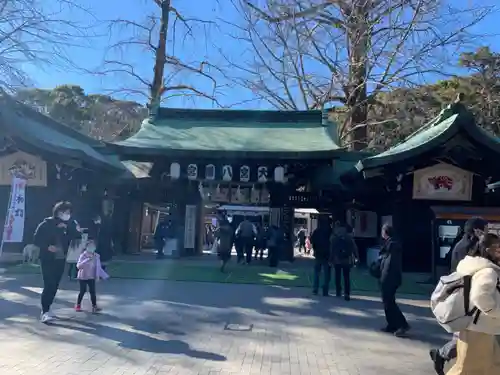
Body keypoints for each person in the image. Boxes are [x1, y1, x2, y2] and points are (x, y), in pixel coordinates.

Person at [430, 218, 488, 375]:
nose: (486, 232)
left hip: (467, 297)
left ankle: (441, 355)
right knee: (469, 337)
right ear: (477, 230)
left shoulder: (463, 244)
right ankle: (443, 355)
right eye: (485, 229)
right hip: (467, 298)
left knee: (468, 337)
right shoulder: (467, 247)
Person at [444, 233, 500, 375]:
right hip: (481, 326)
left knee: (491, 366)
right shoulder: (487, 271)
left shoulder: (473, 265)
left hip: (475, 325)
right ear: (489, 250)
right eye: (498, 248)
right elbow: (480, 296)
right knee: (467, 369)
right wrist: (496, 311)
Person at [33, 201, 81, 323]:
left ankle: (48, 308)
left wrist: (70, 228)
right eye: (65, 212)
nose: (67, 215)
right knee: (49, 284)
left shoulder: (70, 224)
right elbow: (36, 239)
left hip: (61, 258)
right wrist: (47, 247)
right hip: (47, 258)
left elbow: (77, 236)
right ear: (58, 212)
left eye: (69, 212)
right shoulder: (46, 224)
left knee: (55, 285)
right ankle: (44, 311)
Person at [379, 224, 410, 337]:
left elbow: (391, 265)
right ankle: (391, 324)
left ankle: (402, 324)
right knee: (387, 302)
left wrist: (385, 276)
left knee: (390, 302)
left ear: (386, 232)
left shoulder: (393, 246)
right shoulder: (388, 245)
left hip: (390, 278)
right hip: (386, 277)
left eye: (383, 231)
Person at [75, 239, 109, 313]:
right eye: (90, 246)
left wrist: (103, 276)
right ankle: (78, 305)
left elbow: (98, 267)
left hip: (91, 277)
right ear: (86, 247)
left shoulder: (96, 256)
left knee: (93, 292)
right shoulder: (83, 255)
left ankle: (94, 306)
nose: (91, 248)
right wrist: (87, 260)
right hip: (83, 277)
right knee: (82, 291)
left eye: (93, 246)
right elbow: (78, 266)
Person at [330, 222, 359, 301]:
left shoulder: (334, 237)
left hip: (337, 260)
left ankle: (338, 291)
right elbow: (354, 248)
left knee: (337, 276)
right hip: (347, 260)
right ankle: (347, 293)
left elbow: (332, 250)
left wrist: (331, 259)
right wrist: (356, 257)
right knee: (346, 277)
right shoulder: (349, 237)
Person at [310, 218, 332, 296]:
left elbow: (311, 240)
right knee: (327, 273)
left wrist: (315, 248)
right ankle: (325, 290)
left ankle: (315, 289)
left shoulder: (317, 231)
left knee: (317, 272)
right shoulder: (330, 231)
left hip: (318, 253)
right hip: (327, 254)